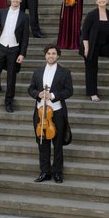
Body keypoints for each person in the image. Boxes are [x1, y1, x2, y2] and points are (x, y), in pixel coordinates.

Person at [28, 45, 75, 183]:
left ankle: (58, 172)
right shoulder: (37, 72)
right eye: (48, 53)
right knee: (42, 143)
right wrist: (38, 94)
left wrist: (53, 95)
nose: (51, 56)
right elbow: (30, 89)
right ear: (45, 55)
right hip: (40, 112)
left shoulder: (65, 72)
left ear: (58, 56)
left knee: (58, 144)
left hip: (57, 112)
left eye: (54, 53)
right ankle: (45, 171)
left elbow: (69, 91)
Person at [0, 0, 30, 113]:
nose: (16, 0)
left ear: (21, 1)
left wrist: (22, 54)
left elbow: (25, 37)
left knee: (11, 78)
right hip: (1, 46)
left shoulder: (24, 17)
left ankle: (8, 102)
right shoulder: (2, 12)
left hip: (14, 49)